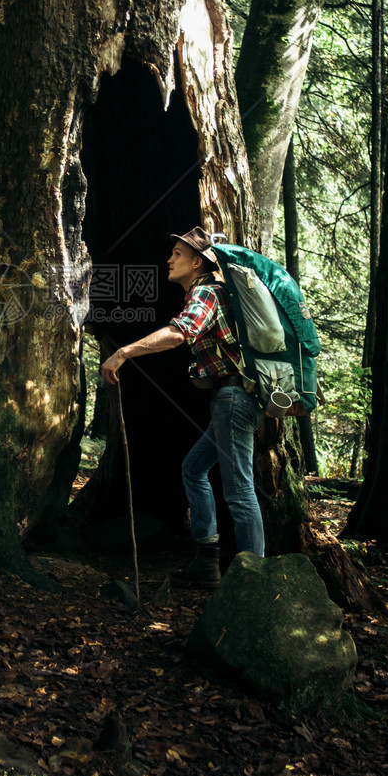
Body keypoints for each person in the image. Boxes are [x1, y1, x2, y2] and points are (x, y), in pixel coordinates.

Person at [101, 226, 265, 587]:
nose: (169, 259)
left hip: (235, 399)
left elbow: (180, 332)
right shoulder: (210, 291)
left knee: (239, 490)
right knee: (194, 468)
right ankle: (208, 562)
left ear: (197, 262)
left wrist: (124, 351)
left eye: (177, 254)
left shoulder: (207, 290)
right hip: (232, 398)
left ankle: (254, 581)